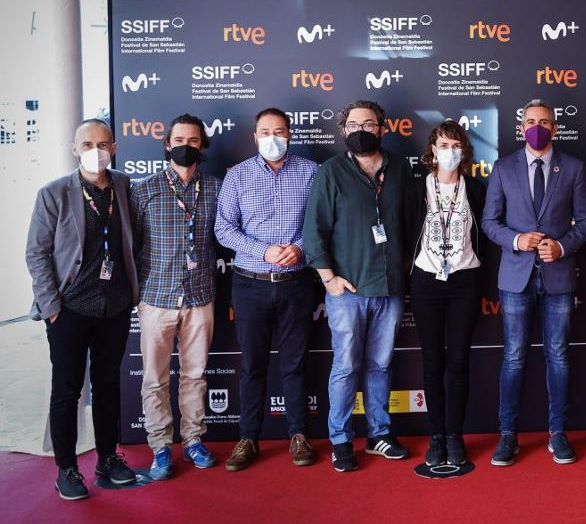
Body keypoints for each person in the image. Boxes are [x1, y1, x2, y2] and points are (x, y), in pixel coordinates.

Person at [26, 119, 140, 500]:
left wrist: (131, 295)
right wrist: (52, 307)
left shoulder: (125, 186)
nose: (96, 149)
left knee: (108, 386)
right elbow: (37, 253)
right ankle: (67, 469)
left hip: (115, 307)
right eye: (87, 143)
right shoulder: (54, 193)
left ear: (115, 147)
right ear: (75, 148)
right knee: (67, 391)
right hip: (69, 309)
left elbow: (132, 243)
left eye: (103, 143)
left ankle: (108, 459)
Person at [303, 100, 414, 472]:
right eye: (353, 125)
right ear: (343, 130)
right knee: (346, 367)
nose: (361, 130)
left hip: (391, 288)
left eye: (369, 123)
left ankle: (379, 434)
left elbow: (413, 221)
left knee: (381, 366)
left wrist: (407, 266)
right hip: (347, 291)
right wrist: (328, 279)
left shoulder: (399, 168)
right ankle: (340, 439)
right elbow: (313, 230)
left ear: (383, 128)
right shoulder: (331, 172)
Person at [483, 99, 586, 466]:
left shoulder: (574, 168)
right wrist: (517, 240)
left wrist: (562, 247)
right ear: (521, 127)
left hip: (559, 277)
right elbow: (489, 221)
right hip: (515, 278)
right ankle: (507, 435)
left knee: (558, 356)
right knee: (513, 357)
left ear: (555, 128)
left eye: (544, 122)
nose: (537, 127)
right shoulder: (502, 167)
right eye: (531, 121)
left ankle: (558, 433)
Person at [214, 108, 319, 471]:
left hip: (297, 284)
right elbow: (223, 229)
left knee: (295, 364)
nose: (272, 138)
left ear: (289, 134)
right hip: (250, 284)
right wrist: (262, 250)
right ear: (254, 137)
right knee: (252, 365)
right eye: (264, 132)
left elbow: (323, 222)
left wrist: (301, 247)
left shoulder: (310, 172)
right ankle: (248, 438)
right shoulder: (238, 177)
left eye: (279, 131)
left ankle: (298, 435)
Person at [131, 113, 222, 479]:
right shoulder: (144, 189)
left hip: (200, 296)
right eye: (179, 140)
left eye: (194, 141)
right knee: (154, 377)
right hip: (156, 297)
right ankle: (159, 447)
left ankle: (194, 440)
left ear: (203, 146)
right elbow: (131, 245)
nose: (186, 146)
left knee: (195, 375)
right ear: (168, 144)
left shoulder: (216, 187)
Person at [405, 120, 486, 467]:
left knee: (458, 360)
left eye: (456, 146)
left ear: (464, 152)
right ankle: (436, 435)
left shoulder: (477, 189)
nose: (450, 152)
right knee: (432, 360)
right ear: (432, 151)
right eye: (443, 145)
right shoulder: (414, 189)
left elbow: (488, 232)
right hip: (425, 281)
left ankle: (455, 434)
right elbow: (404, 231)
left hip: (465, 282)